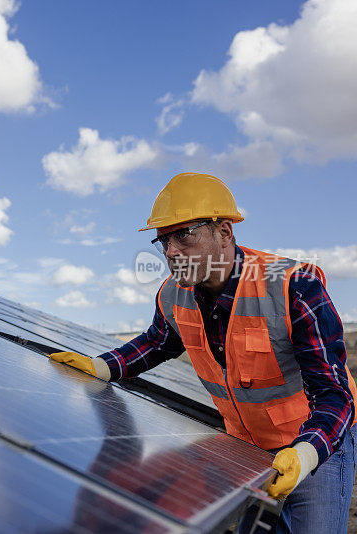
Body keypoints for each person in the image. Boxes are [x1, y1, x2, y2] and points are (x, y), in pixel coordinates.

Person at [48, 172, 357, 533]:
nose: (171, 251)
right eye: (162, 241)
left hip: (316, 444)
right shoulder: (173, 294)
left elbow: (335, 395)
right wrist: (102, 367)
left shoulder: (292, 285)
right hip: (246, 450)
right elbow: (156, 342)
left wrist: (305, 456)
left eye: (184, 235)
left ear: (224, 232)